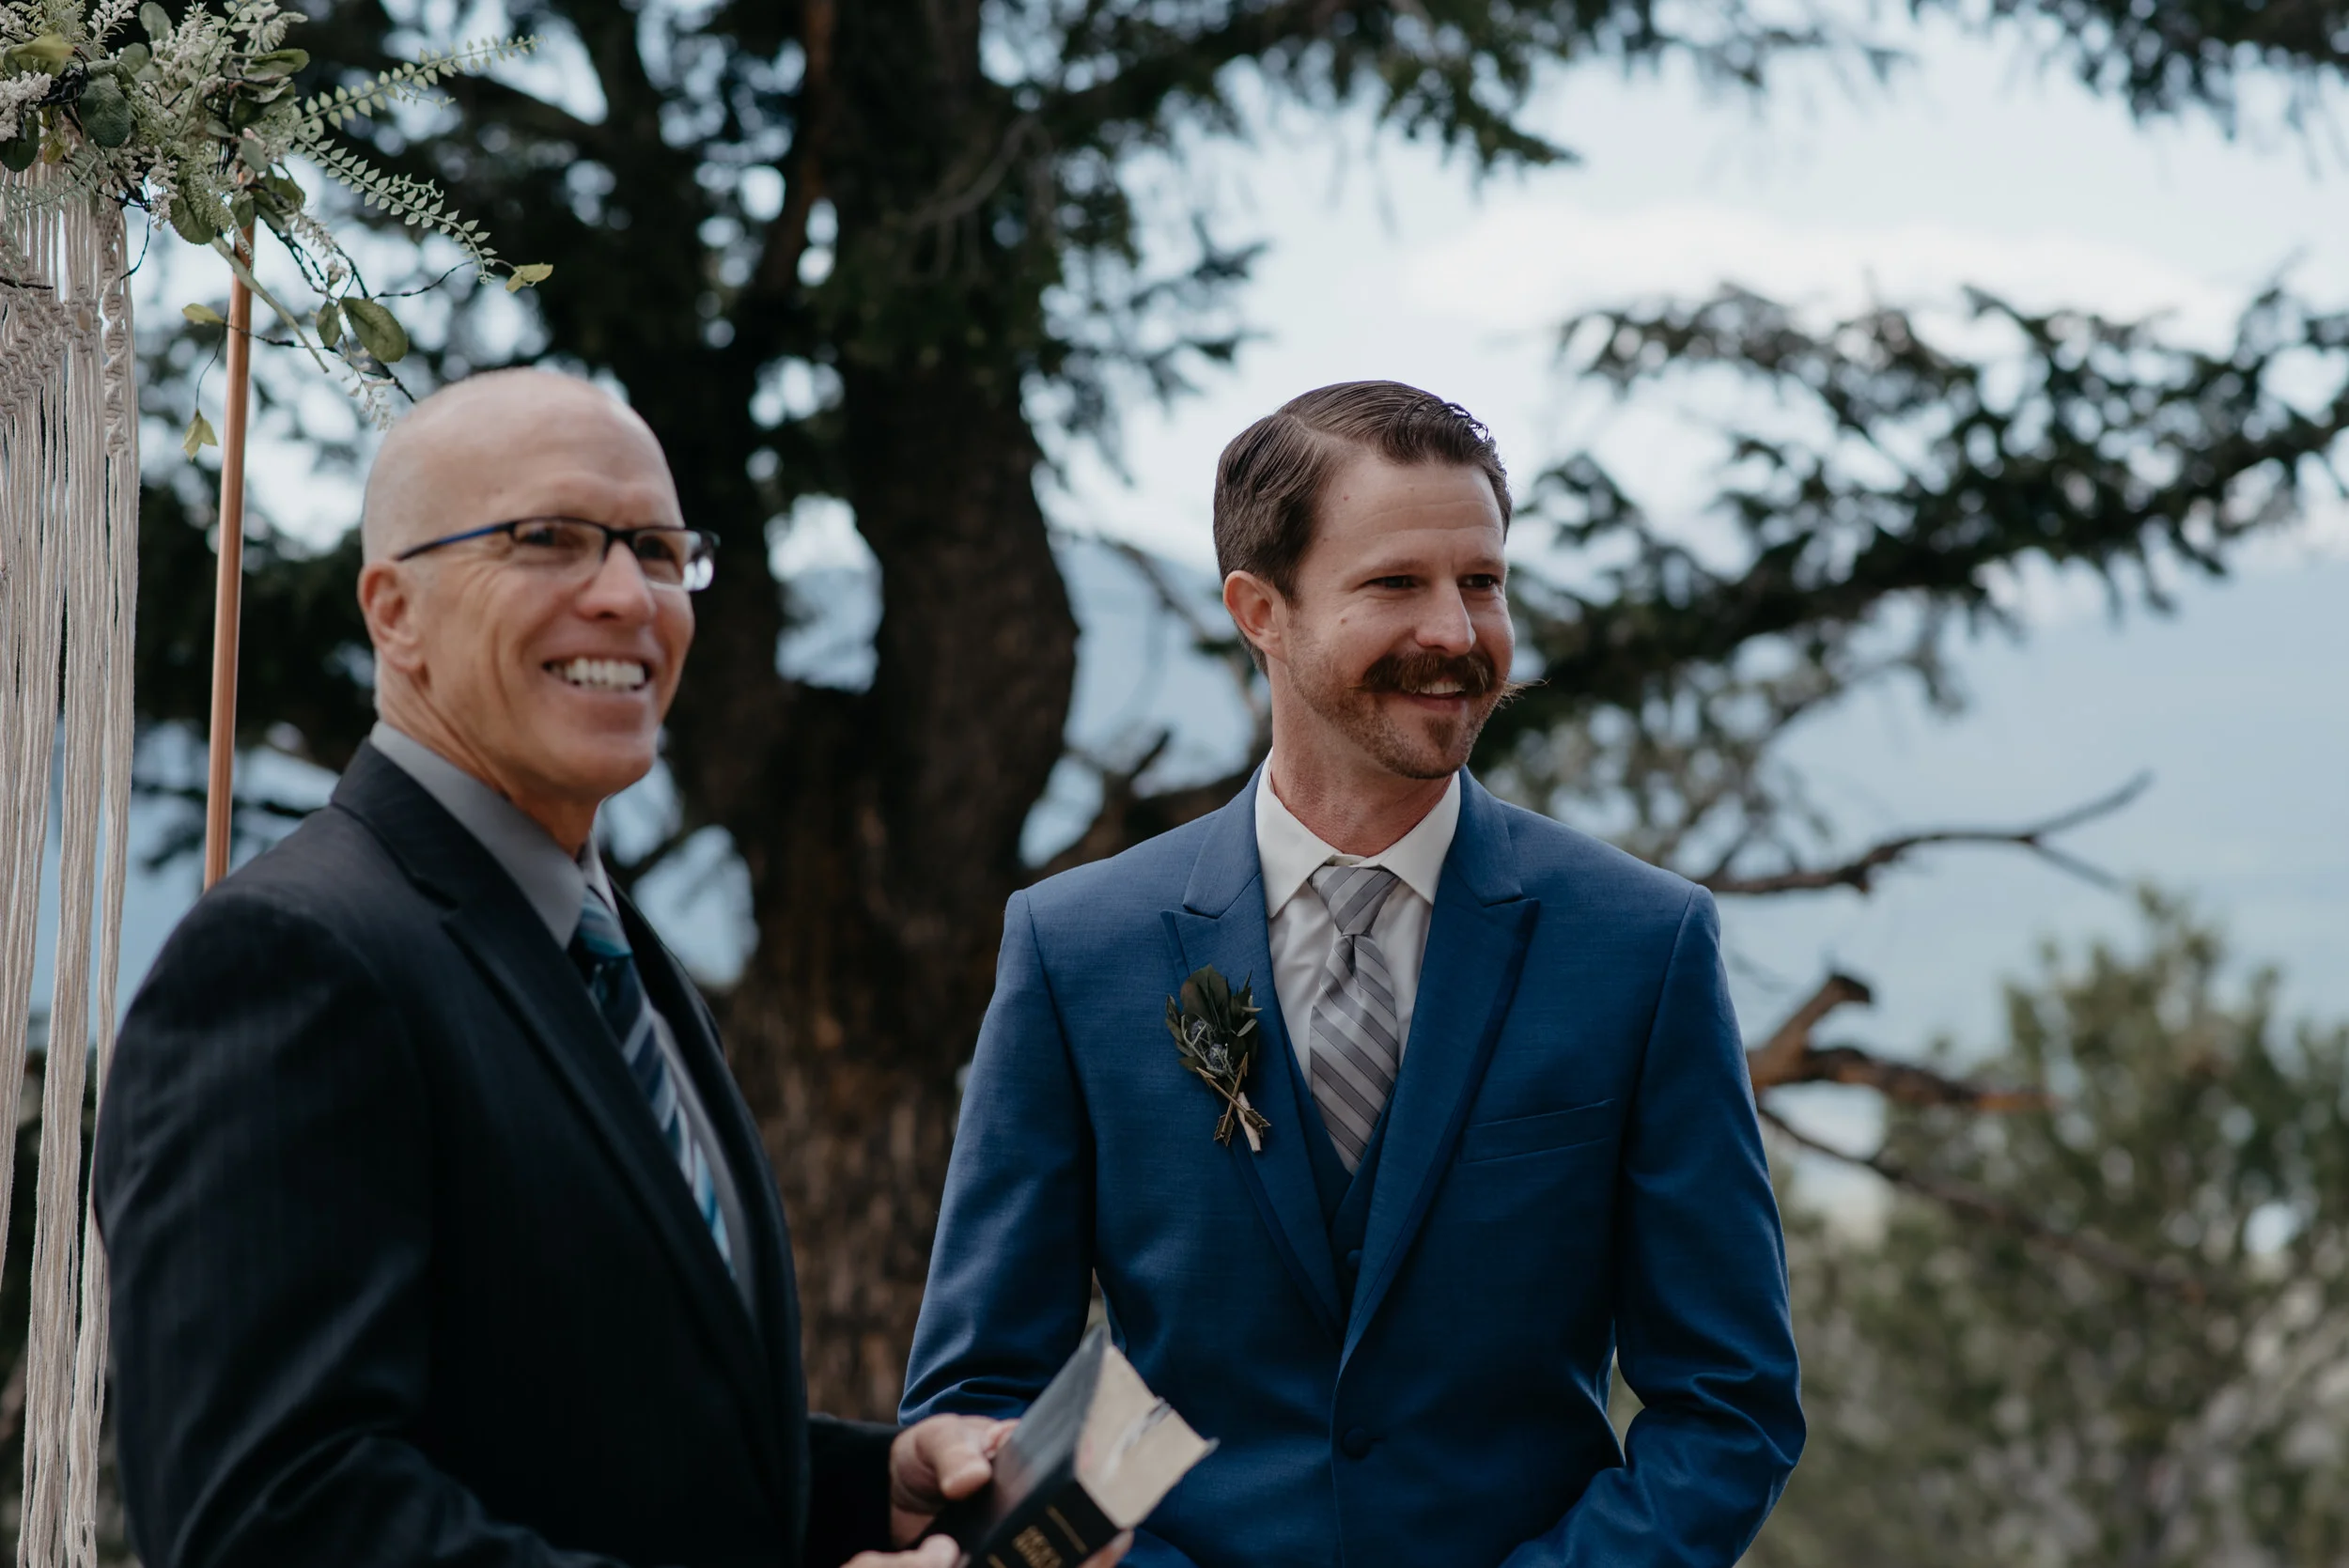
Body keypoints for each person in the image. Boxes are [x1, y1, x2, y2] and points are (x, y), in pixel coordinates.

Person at [96, 370, 1122, 1568]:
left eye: (660, 550)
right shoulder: (288, 960)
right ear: (395, 611)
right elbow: (271, 1520)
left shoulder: (618, 956)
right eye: (549, 540)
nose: (628, 595)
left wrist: (865, 1490)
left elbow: (613, 1442)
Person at [903, 381, 1804, 1567]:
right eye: (1395, 584)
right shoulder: (1077, 948)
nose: (1457, 632)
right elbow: (982, 1397)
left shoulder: (1642, 942)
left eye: (1481, 582)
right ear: (1260, 611)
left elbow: (1728, 1406)